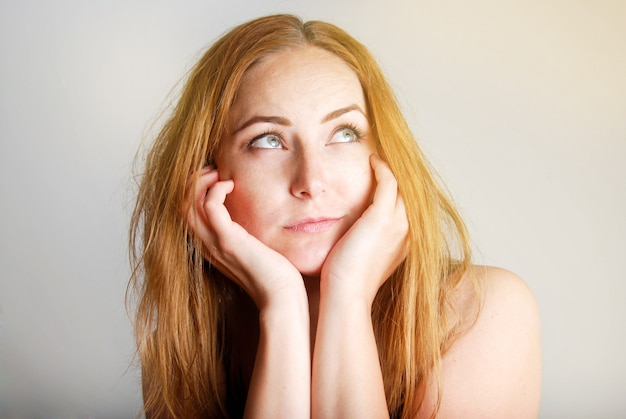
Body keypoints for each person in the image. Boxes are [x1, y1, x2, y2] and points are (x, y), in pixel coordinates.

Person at [128, 14, 541, 419]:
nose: (312, 180)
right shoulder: (187, 344)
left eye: (345, 134)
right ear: (209, 174)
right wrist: (282, 306)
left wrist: (348, 296)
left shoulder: (482, 313)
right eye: (268, 140)